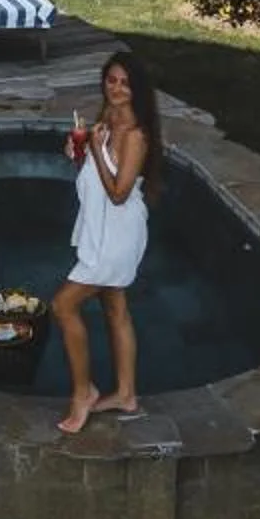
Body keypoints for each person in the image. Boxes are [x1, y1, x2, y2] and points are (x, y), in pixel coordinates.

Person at [51, 43, 162, 434]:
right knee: (116, 309)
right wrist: (78, 152)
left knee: (63, 306)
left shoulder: (135, 134)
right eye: (111, 81)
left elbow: (118, 192)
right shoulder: (108, 115)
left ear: (138, 90)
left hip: (118, 233)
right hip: (101, 228)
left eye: (125, 84)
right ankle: (127, 394)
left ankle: (83, 392)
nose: (116, 89)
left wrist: (96, 151)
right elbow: (96, 173)